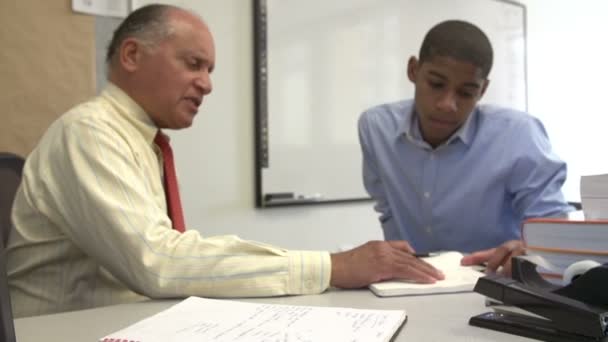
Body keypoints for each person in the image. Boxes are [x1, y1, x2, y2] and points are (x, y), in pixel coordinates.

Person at [6, 4, 444, 318]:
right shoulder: (90, 132)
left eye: (210, 69)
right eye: (194, 64)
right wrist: (332, 266)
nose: (207, 85)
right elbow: (157, 262)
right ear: (132, 55)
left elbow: (167, 255)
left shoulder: (140, 140)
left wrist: (327, 265)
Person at [358, 20, 572, 276]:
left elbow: (555, 232)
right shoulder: (376, 127)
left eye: (466, 93)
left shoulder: (518, 134)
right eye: (436, 84)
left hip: (497, 283)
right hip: (412, 284)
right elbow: (388, 208)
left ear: (483, 90)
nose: (448, 104)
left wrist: (530, 249)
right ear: (413, 70)